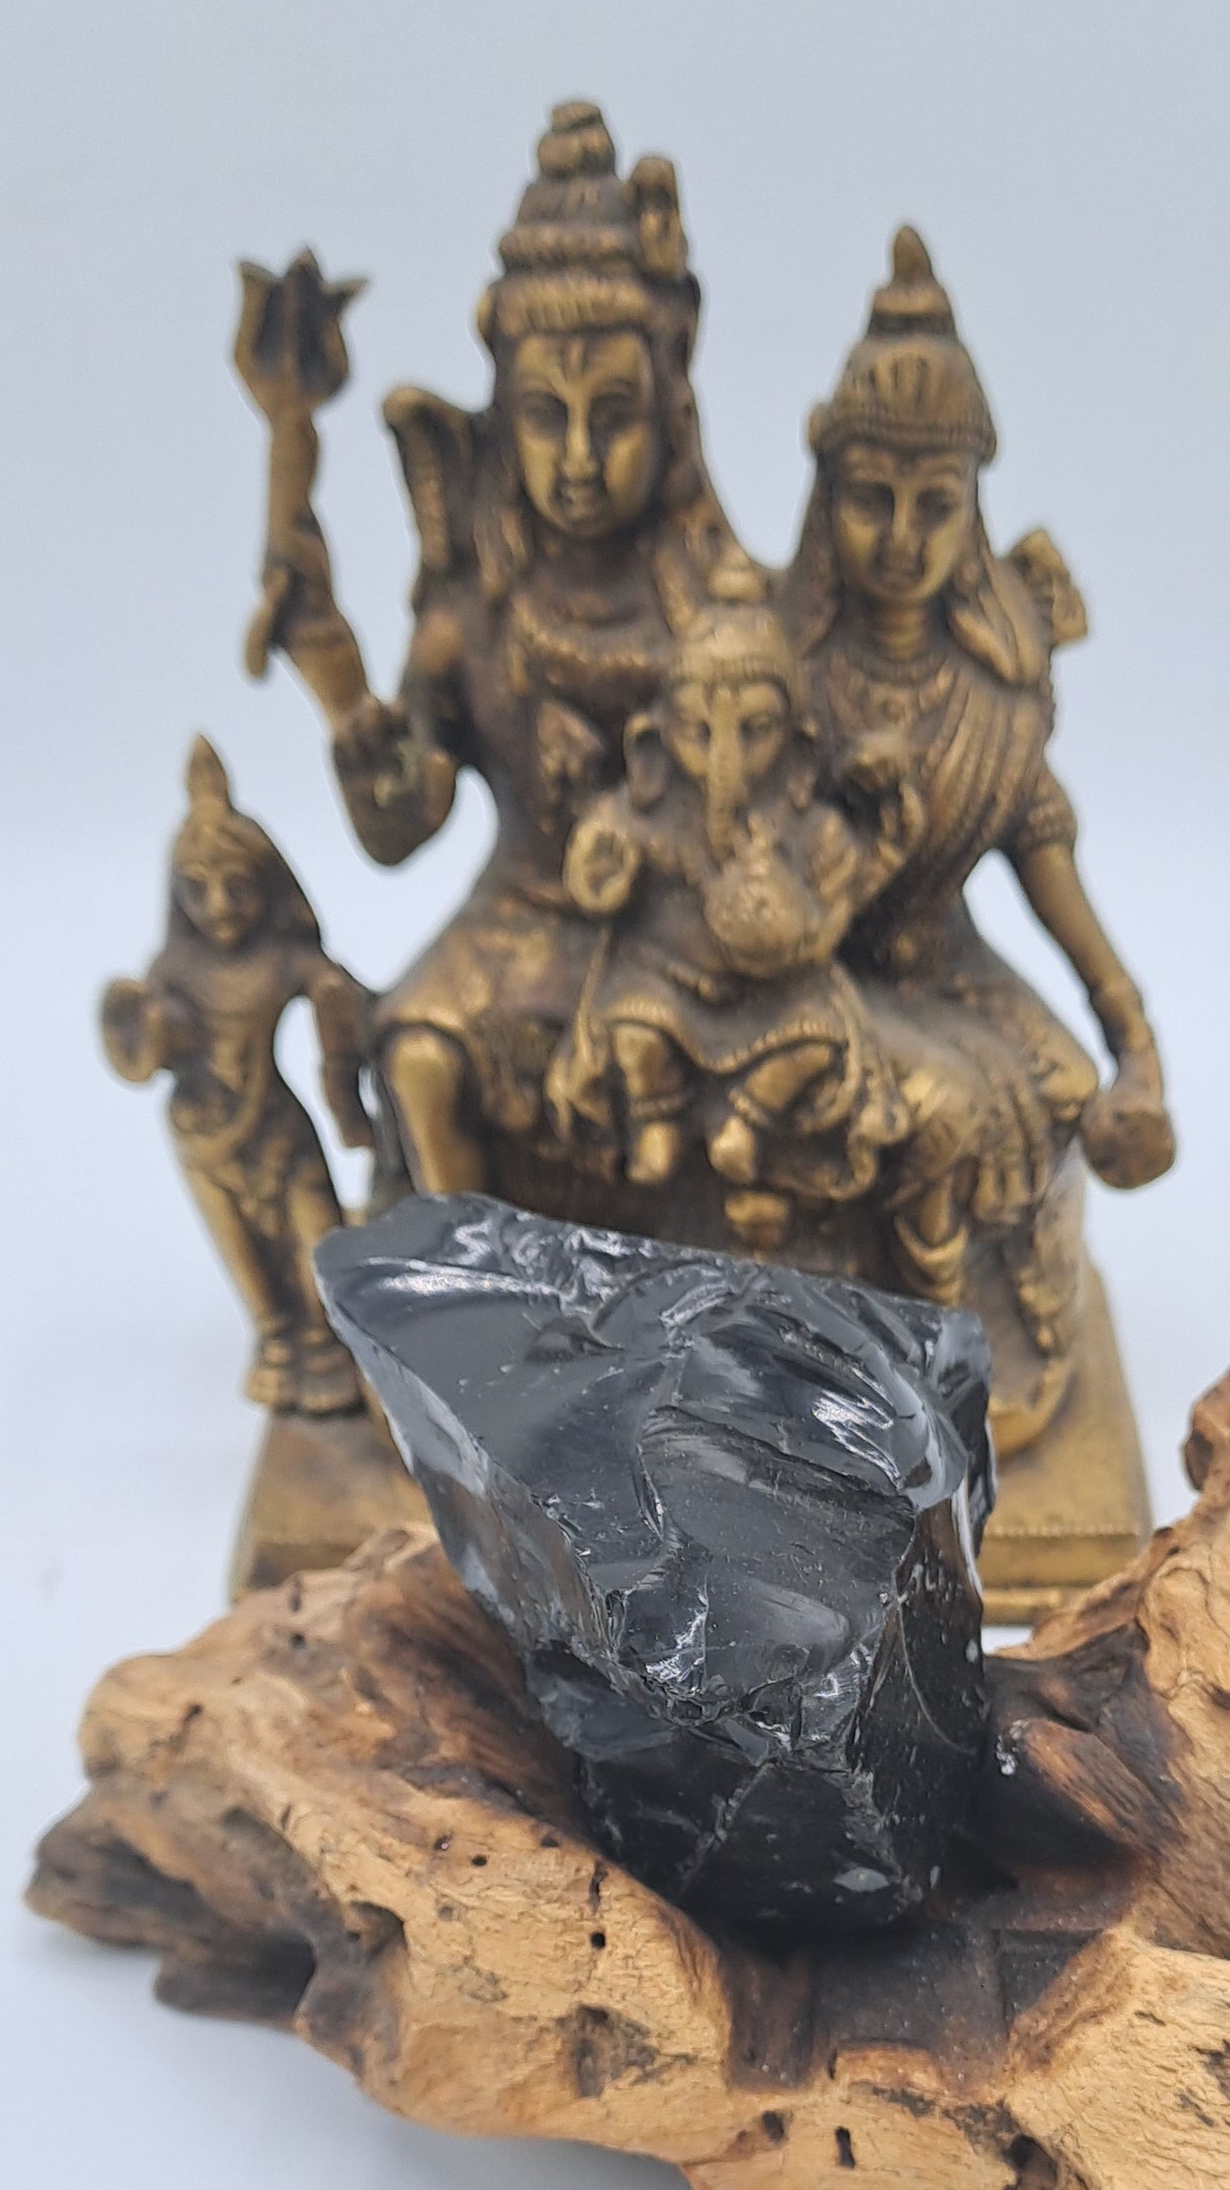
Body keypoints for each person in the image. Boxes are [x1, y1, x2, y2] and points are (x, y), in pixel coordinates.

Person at [238, 102, 746, 1198]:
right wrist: (350, 712)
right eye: (545, 416)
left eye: (612, 416)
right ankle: (474, 1283)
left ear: (668, 412)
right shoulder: (473, 619)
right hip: (515, 922)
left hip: (679, 938)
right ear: (504, 420)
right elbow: (401, 827)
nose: (577, 457)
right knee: (420, 1055)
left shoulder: (720, 614)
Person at [783, 227, 1175, 1434]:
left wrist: (1129, 1032)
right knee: (937, 1115)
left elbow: (1046, 865)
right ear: (827, 500)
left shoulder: (990, 697)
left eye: (934, 506)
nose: (901, 538)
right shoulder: (787, 676)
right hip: (811, 972)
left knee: (1056, 1089)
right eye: (871, 500)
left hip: (946, 965)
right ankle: (904, 1368)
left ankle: (1009, 1347)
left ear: (970, 513)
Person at [545, 570, 919, 1250]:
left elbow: (843, 896)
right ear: (656, 738)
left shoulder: (810, 827)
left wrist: (807, 932)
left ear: (798, 743)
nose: (725, 758)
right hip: (667, 979)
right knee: (633, 1029)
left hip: (778, 995)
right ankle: (655, 1121)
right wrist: (604, 867)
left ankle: (745, 1121)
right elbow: (597, 872)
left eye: (755, 731)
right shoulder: (651, 810)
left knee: (817, 1040)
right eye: (698, 731)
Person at [98, 740, 371, 1412]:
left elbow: (346, 998)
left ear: (268, 884)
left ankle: (328, 1352)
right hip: (202, 1142)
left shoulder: (284, 960)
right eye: (197, 889)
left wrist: (341, 1022)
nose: (218, 906)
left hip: (279, 1138)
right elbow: (145, 1042)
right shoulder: (174, 970)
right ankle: (278, 1345)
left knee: (323, 1264)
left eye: (237, 886)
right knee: (253, 1273)